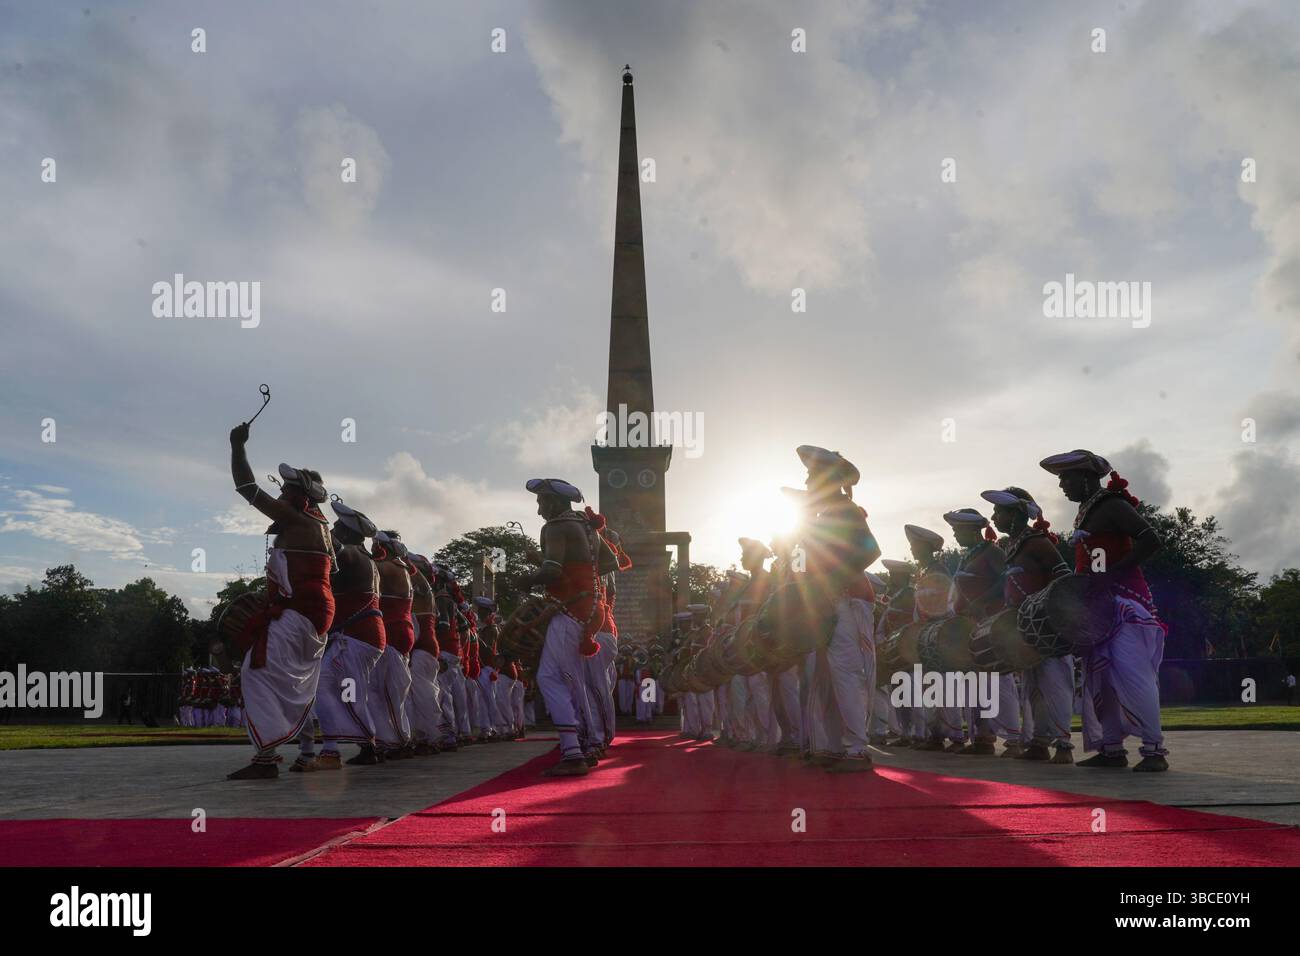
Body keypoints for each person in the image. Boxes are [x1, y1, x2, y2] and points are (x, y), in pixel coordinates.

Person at [1040, 449, 1168, 772]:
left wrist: (1111, 576)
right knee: (1102, 680)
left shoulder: (1112, 505)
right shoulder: (1085, 512)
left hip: (1125, 605)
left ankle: (1154, 751)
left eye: (1065, 479)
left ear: (1085, 478)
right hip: (1098, 610)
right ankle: (1112, 749)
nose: (1061, 487)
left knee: (1133, 674)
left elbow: (1150, 539)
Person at [226, 425, 335, 781]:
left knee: (254, 672)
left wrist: (237, 446)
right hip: (314, 612)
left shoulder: (297, 516)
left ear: (300, 496)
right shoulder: (321, 526)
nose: (281, 494)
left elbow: (247, 488)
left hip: (301, 611)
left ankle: (266, 758)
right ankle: (305, 752)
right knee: (296, 681)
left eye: (286, 489)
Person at [518, 477, 617, 776]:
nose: (538, 510)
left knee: (553, 678)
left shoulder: (556, 527)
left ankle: (575, 751)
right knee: (574, 680)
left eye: (541, 502)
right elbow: (609, 562)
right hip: (591, 608)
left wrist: (525, 579)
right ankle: (585, 745)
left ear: (553, 501)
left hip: (571, 610)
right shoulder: (588, 529)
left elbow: (551, 570)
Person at [792, 445, 881, 773]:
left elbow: (870, 551)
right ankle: (832, 745)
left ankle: (856, 748)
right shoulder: (824, 516)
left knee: (846, 674)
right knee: (826, 677)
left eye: (812, 475)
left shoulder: (844, 510)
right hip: (830, 604)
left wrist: (831, 582)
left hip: (849, 600)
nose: (807, 480)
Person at [983, 487, 1074, 763]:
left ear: (1015, 515)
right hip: (1027, 628)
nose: (994, 516)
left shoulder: (1037, 542)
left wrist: (1052, 615)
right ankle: (1039, 742)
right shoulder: (1011, 546)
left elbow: (1065, 579)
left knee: (1054, 685)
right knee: (1033, 688)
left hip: (1048, 628)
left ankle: (1064, 746)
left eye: (999, 511)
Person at [308, 500, 385, 770]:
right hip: (361, 635)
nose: (334, 531)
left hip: (356, 636)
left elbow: (333, 546)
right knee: (347, 692)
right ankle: (363, 747)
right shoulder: (367, 560)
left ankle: (337, 750)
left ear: (349, 534)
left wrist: (310, 516)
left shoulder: (352, 554)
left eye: (338, 527)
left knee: (336, 691)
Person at [943, 507, 1015, 755]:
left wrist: (982, 601)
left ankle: (1013, 739)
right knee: (974, 683)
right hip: (971, 626)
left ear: (973, 530)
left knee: (996, 680)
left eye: (957, 530)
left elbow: (1005, 579)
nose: (955, 535)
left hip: (989, 623)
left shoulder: (992, 552)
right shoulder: (969, 555)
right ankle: (982, 739)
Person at [905, 523, 960, 752]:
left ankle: (955, 736)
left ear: (926, 547)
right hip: (926, 634)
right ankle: (935, 735)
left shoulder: (939, 570)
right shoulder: (923, 572)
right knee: (930, 687)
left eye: (915, 546)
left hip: (939, 633)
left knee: (946, 687)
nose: (912, 550)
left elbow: (947, 601)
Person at [368, 530, 415, 761]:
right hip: (399, 631)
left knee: (387, 694)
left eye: (375, 543)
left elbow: (363, 569)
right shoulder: (400, 567)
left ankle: (397, 741)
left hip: (393, 631)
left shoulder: (387, 567)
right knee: (388, 692)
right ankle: (394, 738)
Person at [406, 553, 445, 756]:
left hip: (423, 649)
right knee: (417, 694)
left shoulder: (425, 590)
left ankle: (431, 736)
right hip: (423, 648)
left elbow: (420, 582)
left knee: (423, 694)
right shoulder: (421, 592)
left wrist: (407, 562)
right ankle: (423, 736)